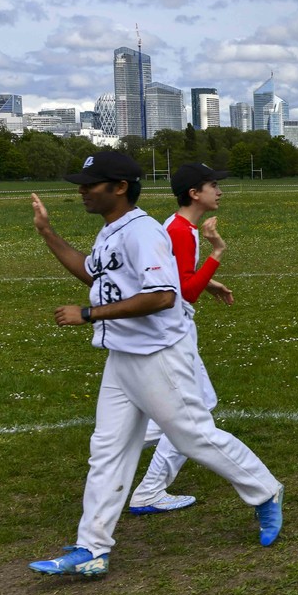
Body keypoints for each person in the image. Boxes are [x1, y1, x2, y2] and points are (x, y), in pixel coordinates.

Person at [27, 151, 283, 577]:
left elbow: (163, 295)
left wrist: (89, 314)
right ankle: (92, 548)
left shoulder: (143, 231)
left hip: (157, 354)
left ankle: (265, 491)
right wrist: (48, 232)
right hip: (122, 356)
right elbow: (94, 276)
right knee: (107, 451)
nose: (83, 191)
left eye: (93, 183)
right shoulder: (112, 231)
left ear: (120, 187)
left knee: (193, 437)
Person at [127, 162, 237, 514]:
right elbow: (186, 291)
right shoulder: (182, 231)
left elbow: (175, 276)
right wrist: (216, 254)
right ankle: (147, 489)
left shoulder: (176, 227)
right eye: (213, 185)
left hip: (165, 329)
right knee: (198, 409)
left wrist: (210, 282)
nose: (219, 191)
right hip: (173, 330)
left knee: (187, 409)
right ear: (194, 193)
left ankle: (117, 448)